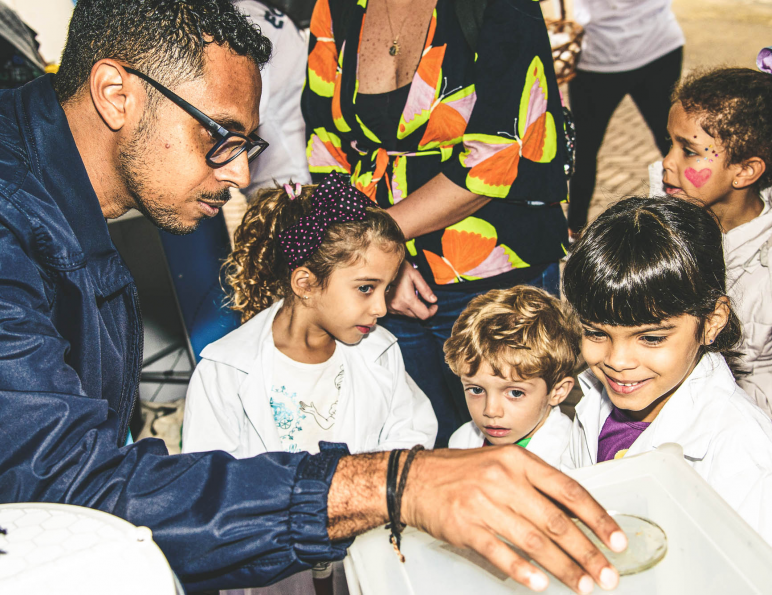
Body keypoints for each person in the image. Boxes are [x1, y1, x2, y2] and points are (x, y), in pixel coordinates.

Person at [0, 1, 629, 593]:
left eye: (246, 146)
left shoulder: (40, 171)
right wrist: (394, 483)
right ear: (117, 94)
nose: (237, 176)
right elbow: (63, 483)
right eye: (221, 137)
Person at [301, 0, 569, 447]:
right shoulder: (334, 5)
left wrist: (378, 246)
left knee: (513, 447)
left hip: (493, 273)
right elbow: (324, 142)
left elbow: (499, 152)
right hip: (382, 283)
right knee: (420, 444)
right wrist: (382, 264)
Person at [183, 175, 436, 595]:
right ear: (305, 284)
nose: (380, 307)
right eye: (366, 288)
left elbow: (411, 434)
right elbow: (210, 486)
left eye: (387, 288)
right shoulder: (225, 371)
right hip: (274, 567)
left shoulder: (380, 353)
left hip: (366, 551)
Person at [560, 196, 772, 545]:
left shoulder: (745, 457)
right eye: (596, 333)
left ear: (712, 321)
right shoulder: (595, 402)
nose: (618, 361)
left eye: (651, 338)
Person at [648, 67, 772, 417]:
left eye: (688, 151)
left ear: (744, 171)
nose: (667, 162)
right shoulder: (665, 206)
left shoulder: (765, 269)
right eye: (670, 143)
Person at [567, 0, 684, 236]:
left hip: (603, 56)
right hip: (660, 43)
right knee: (675, 143)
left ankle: (573, 233)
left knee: (584, 151)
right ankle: (692, 221)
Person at [444, 285, 577, 467]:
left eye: (515, 393)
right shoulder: (461, 441)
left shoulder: (571, 460)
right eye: (476, 390)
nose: (490, 411)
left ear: (557, 391)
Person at [233, 1, 311, 197]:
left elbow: (245, 117)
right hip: (291, 168)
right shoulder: (265, 14)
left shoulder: (244, 18)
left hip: (282, 180)